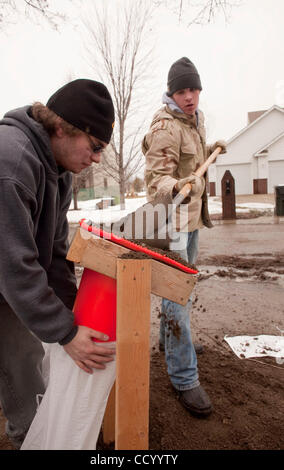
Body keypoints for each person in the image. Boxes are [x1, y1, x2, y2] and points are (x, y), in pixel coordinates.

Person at [0, 79, 116, 449]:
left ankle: (33, 439)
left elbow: (55, 256)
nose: (97, 158)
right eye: (95, 146)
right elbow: (14, 263)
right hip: (0, 272)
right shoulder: (9, 162)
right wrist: (67, 333)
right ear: (61, 127)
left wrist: (74, 316)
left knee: (25, 369)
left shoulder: (57, 174)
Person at [142, 57, 226, 417]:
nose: (189, 97)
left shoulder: (195, 118)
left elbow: (193, 161)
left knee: (184, 287)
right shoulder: (165, 126)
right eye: (182, 90)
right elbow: (156, 179)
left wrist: (212, 150)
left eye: (193, 89)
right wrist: (175, 185)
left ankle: (171, 344)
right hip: (171, 222)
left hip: (190, 219)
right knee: (178, 298)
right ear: (172, 92)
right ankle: (183, 376)